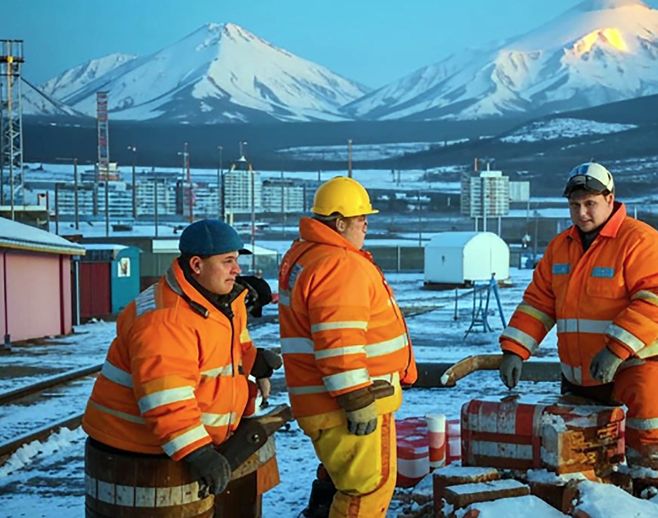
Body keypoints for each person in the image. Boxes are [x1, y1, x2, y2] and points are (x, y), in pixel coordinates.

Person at [499, 162, 658, 497]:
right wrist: (515, 349)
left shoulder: (640, 242)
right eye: (575, 205)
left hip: (647, 356)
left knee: (650, 398)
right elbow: (538, 303)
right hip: (585, 366)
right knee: (580, 433)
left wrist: (617, 347)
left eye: (590, 203)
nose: (582, 212)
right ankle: (598, 478)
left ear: (610, 199)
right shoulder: (561, 246)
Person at [83, 219, 279, 497]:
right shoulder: (166, 321)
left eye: (236, 260)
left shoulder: (220, 301)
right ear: (197, 265)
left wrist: (252, 360)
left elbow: (230, 345)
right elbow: (167, 398)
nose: (237, 270)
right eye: (228, 261)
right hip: (139, 452)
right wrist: (198, 452)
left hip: (169, 446)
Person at [278, 176, 418, 518]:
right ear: (339, 223)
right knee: (367, 488)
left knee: (341, 479)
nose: (366, 224)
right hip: (350, 404)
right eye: (360, 218)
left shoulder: (306, 256)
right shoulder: (339, 264)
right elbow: (339, 340)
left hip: (320, 400)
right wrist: (355, 397)